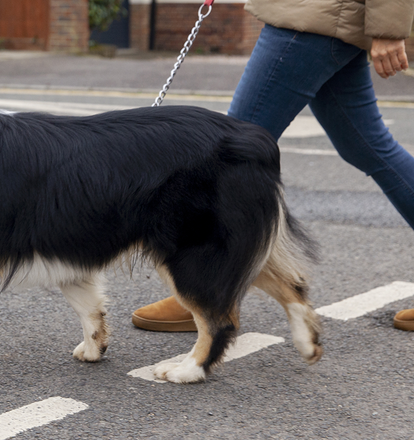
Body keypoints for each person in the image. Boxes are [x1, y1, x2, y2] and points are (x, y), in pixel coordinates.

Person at [132, 0, 414, 333]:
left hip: (309, 20)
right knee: (368, 148)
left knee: (230, 159)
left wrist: (388, 28)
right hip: (323, 19)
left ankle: (209, 292)